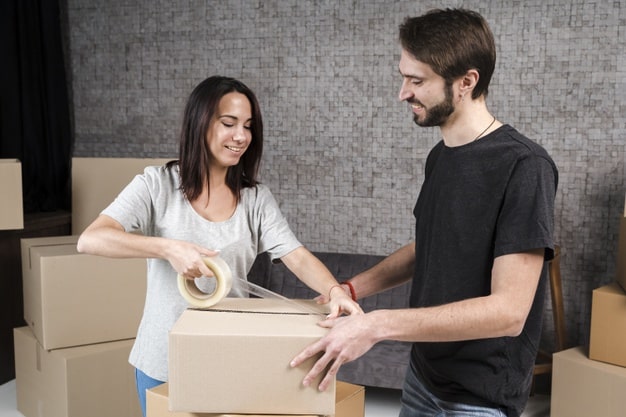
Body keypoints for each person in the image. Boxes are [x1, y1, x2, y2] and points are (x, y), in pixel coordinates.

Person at [290, 8, 558, 417]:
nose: (403, 92)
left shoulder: (524, 166)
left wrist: (377, 326)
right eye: (404, 77)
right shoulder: (441, 156)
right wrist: (352, 289)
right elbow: (430, 244)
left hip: (478, 399)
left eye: (417, 81)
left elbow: (508, 312)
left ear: (466, 82)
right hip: (422, 376)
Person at [76, 75, 362, 417]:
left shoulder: (255, 199)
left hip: (228, 357)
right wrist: (169, 249)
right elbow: (91, 239)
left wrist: (334, 291)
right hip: (162, 359)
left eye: (248, 126)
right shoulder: (156, 185)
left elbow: (295, 255)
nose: (241, 136)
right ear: (200, 123)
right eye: (229, 123)